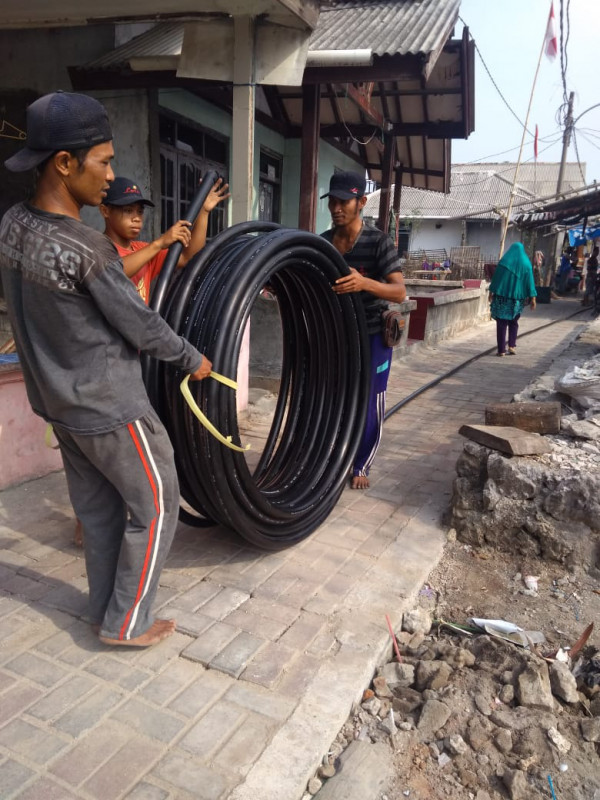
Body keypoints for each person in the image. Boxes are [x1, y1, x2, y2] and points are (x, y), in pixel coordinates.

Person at [0, 91, 212, 648]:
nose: (111, 175)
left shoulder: (12, 226)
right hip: (110, 405)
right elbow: (141, 325)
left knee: (97, 514)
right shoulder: (90, 250)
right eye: (104, 160)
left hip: (58, 404)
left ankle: (103, 610)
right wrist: (193, 359)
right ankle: (127, 623)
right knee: (160, 502)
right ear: (64, 164)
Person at [320, 170, 406, 490]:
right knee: (336, 398)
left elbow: (399, 292)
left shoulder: (378, 241)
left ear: (362, 202)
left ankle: (361, 463)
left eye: (345, 201)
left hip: (373, 334)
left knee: (371, 400)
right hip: (338, 335)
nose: (337, 208)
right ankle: (335, 456)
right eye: (333, 202)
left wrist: (364, 283)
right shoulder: (324, 242)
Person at [100, 175, 229, 304]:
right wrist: (159, 243)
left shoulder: (142, 250)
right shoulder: (95, 247)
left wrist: (203, 211)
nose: (137, 218)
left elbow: (188, 257)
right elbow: (113, 272)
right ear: (105, 211)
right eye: (128, 211)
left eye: (140, 212)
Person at [488, 242, 537, 357]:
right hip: (517, 299)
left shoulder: (504, 262)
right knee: (514, 322)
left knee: (501, 323)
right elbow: (530, 282)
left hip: (502, 298)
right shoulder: (526, 264)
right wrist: (533, 298)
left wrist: (491, 292)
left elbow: (496, 279)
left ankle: (501, 350)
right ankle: (512, 346)